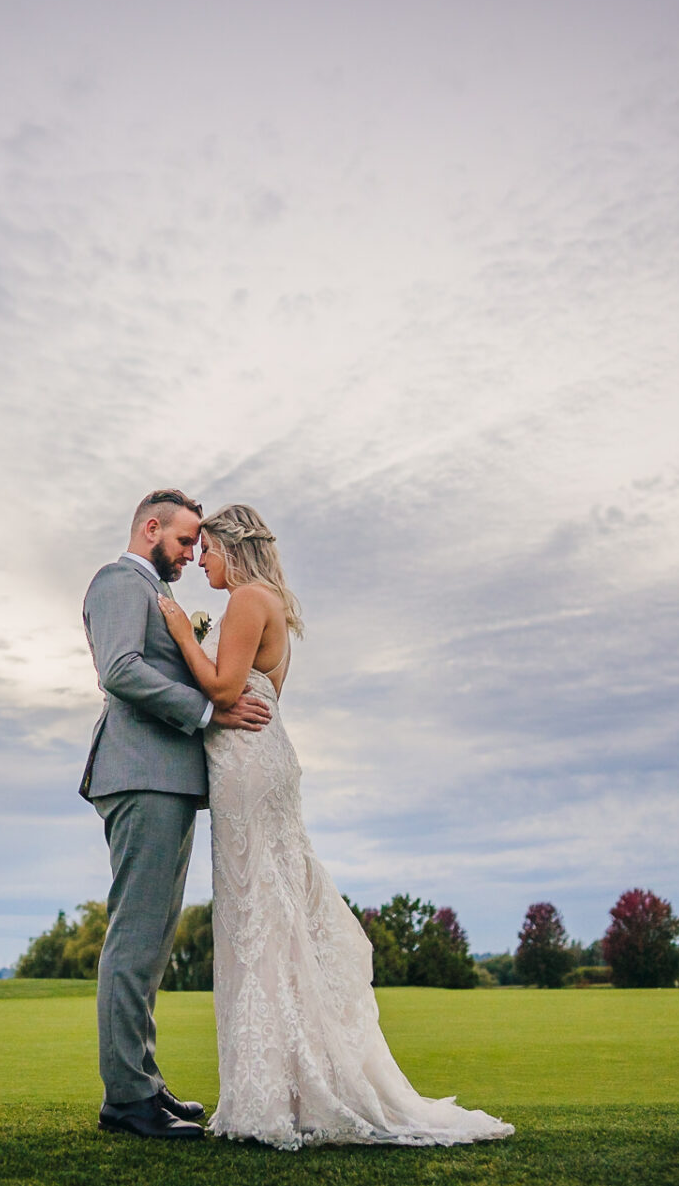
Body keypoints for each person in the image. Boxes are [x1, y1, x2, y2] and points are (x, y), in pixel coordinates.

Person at [157, 504, 514, 1150]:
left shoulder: (245, 599)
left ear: (232, 548)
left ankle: (276, 1094)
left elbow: (223, 685)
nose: (200, 560)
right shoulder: (268, 601)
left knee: (258, 915)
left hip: (248, 766)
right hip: (259, 762)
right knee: (269, 914)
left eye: (206, 548)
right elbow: (247, 692)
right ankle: (285, 1086)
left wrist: (183, 631)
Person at [80, 489, 273, 1139]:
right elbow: (120, 669)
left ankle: (144, 1083)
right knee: (135, 935)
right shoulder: (118, 580)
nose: (193, 554)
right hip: (140, 774)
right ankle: (126, 1100)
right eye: (186, 540)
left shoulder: (152, 590)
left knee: (154, 939)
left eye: (199, 545)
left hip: (167, 779)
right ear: (150, 527)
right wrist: (205, 710)